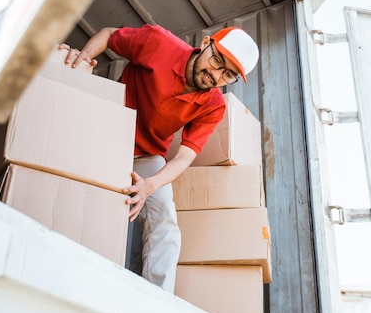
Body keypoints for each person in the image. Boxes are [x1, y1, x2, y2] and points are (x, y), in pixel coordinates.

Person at [60, 24, 259, 292]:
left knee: (166, 222)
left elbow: (185, 155)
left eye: (228, 74)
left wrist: (150, 186)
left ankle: (156, 301)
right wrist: (82, 59)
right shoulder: (158, 42)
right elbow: (108, 34)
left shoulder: (214, 105)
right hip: (108, 126)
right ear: (204, 43)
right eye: (217, 60)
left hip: (147, 154)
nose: (216, 74)